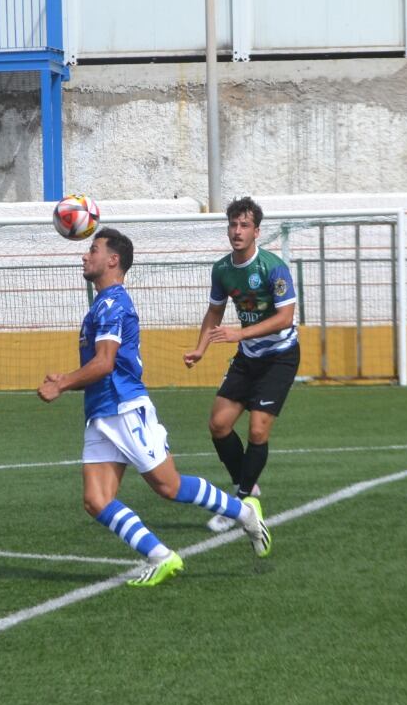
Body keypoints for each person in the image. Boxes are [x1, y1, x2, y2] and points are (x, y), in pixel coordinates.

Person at [39, 227, 271, 587]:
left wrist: (63, 383)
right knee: (95, 500)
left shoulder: (115, 303)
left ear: (113, 260)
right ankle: (161, 556)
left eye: (94, 249)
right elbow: (99, 364)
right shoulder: (101, 304)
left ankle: (244, 513)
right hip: (102, 412)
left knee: (169, 487)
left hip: (125, 408)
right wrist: (68, 380)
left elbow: (104, 363)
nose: (85, 256)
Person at [183, 196, 299, 533]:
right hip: (247, 357)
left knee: (258, 429)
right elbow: (215, 312)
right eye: (233, 224)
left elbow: (286, 317)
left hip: (280, 356)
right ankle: (248, 484)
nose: (237, 230)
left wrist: (241, 333)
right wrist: (200, 348)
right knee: (219, 425)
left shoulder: (272, 267)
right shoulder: (221, 269)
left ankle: (241, 500)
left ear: (256, 231)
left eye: (244, 225)